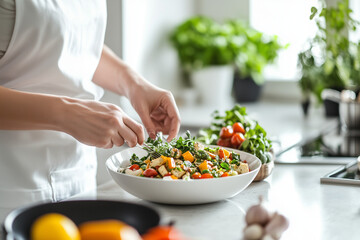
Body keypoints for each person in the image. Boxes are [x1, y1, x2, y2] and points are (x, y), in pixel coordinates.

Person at [0, 0, 181, 217]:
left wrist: (134, 85)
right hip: (10, 185)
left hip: (79, 179)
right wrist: (67, 114)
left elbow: (71, 41)